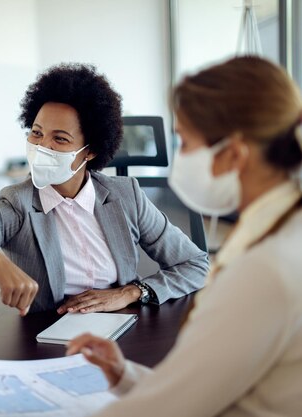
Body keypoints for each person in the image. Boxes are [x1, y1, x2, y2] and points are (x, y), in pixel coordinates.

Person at [59, 56, 302, 416]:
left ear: (233, 154)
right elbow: (207, 383)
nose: (180, 159)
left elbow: (170, 409)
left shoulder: (264, 270)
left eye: (185, 143)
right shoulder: (282, 229)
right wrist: (125, 375)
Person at [0, 63, 209, 316]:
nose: (42, 147)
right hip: (50, 339)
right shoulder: (18, 204)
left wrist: (132, 292)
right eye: (36, 133)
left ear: (90, 151)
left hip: (127, 328)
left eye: (60, 139)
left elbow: (196, 264)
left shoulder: (125, 195)